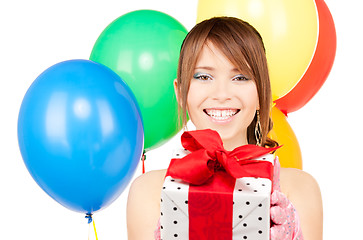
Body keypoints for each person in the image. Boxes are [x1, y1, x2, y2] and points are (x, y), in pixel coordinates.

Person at [126, 17, 323, 240]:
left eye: (240, 77)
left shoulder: (300, 189)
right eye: (203, 76)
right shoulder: (148, 192)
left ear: (261, 93)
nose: (221, 94)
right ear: (181, 92)